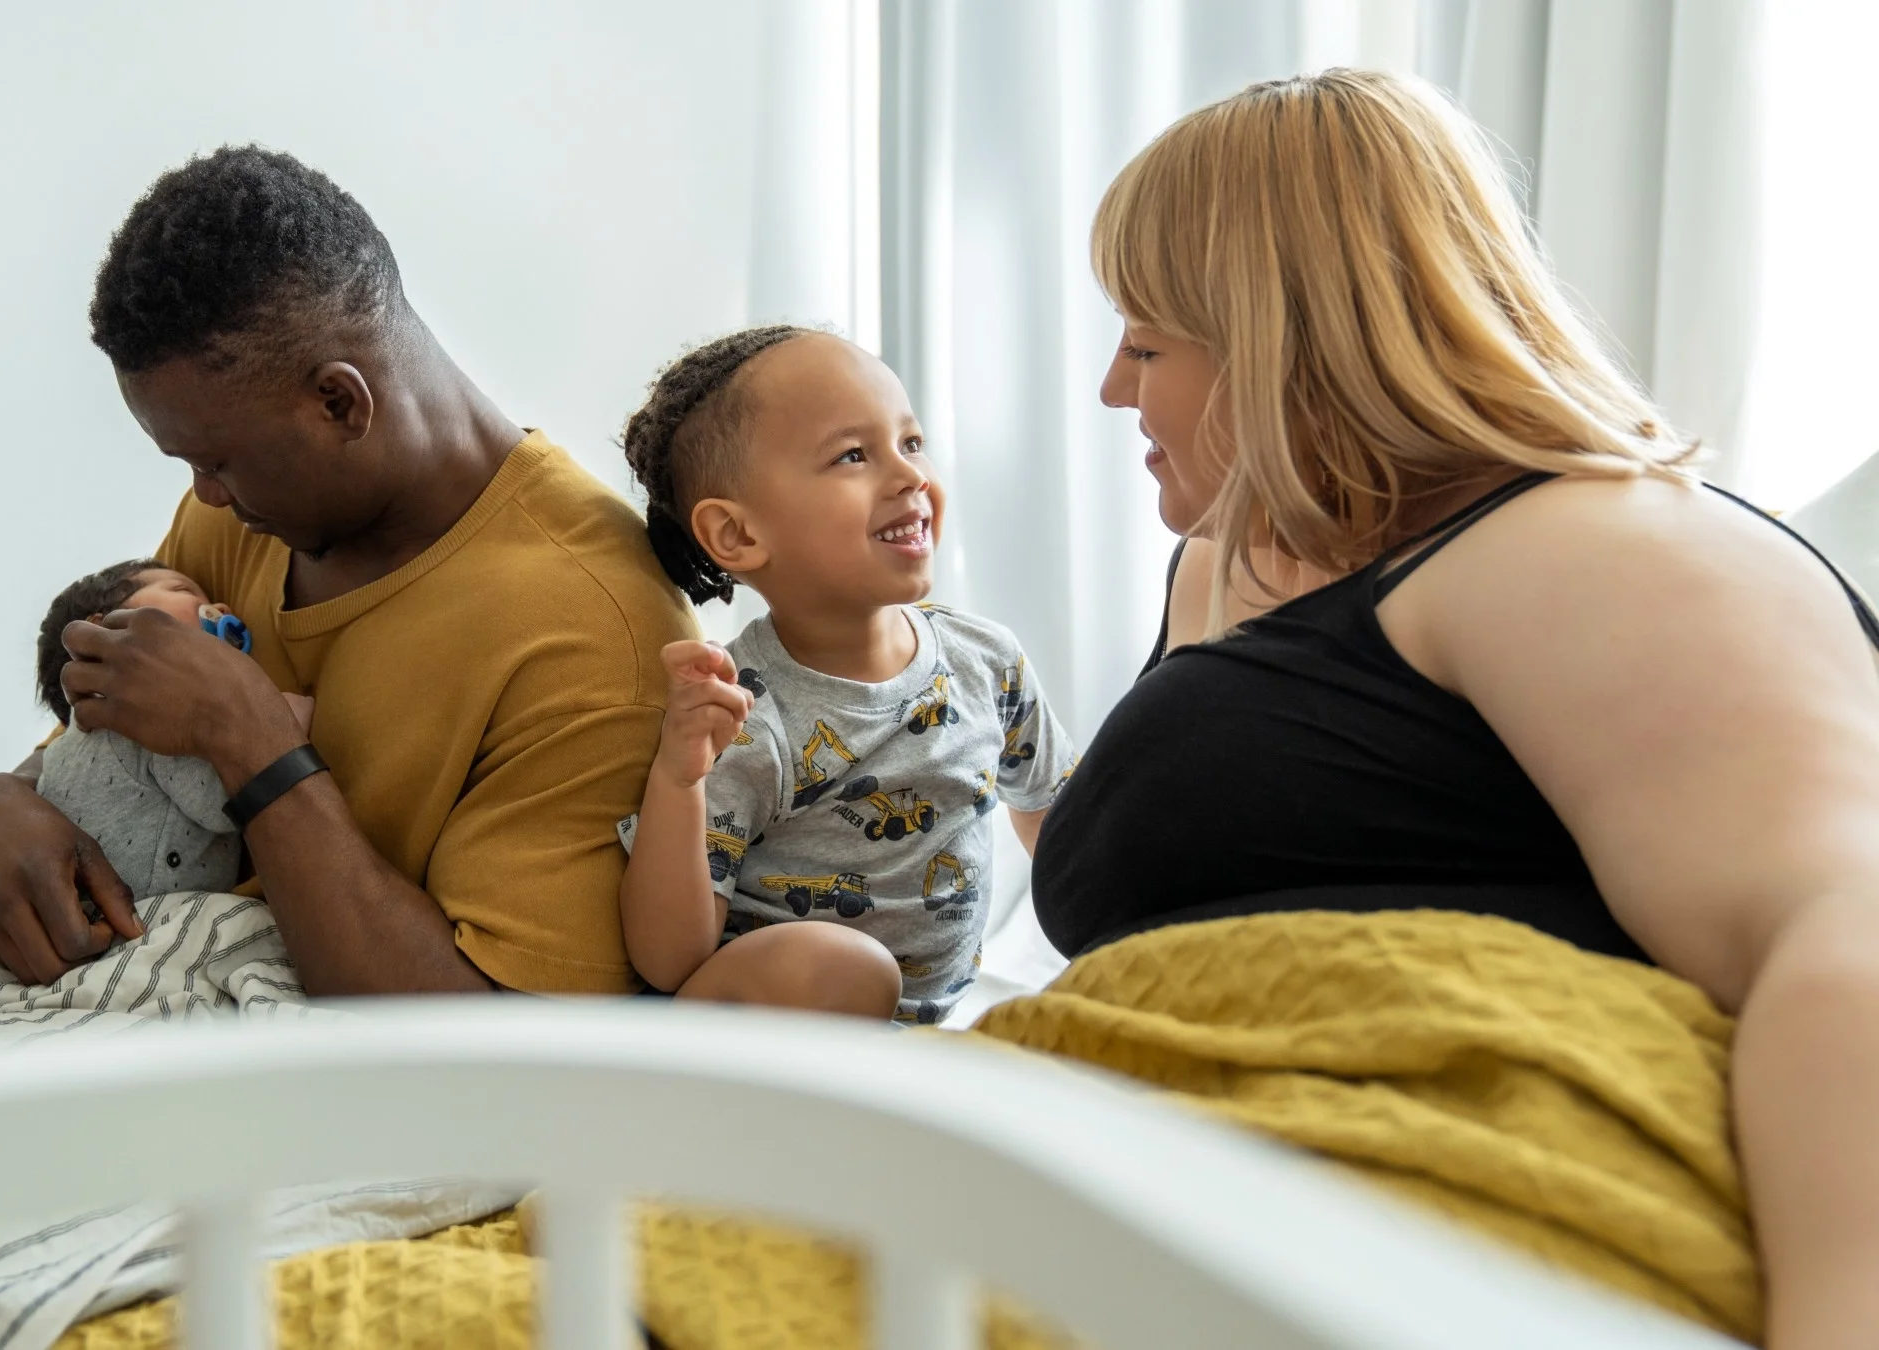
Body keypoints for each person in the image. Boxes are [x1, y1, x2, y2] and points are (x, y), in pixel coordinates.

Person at [1030, 69, 1879, 1346]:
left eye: (1147, 345)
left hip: (1437, 1241)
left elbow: (1844, 930)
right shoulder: (1223, 565)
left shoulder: (1591, 541)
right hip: (1146, 1210)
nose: (1110, 391)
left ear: (1291, 338)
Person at [0, 147, 696, 996]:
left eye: (220, 462)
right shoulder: (244, 518)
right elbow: (105, 750)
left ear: (340, 402)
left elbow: (490, 1043)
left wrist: (253, 742)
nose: (204, 497)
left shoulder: (598, 633)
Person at [616, 326, 1076, 1023]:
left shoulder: (989, 663)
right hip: (752, 1041)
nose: (910, 476)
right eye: (854, 455)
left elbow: (1068, 835)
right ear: (738, 535)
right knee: (845, 968)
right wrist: (679, 779)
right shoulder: (745, 712)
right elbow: (669, 959)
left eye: (911, 442)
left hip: (903, 1042)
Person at [29, 559, 268, 906]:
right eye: (183, 591)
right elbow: (222, 806)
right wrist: (273, 721)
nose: (222, 610)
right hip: (151, 920)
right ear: (101, 636)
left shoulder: (68, 748)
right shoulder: (148, 715)